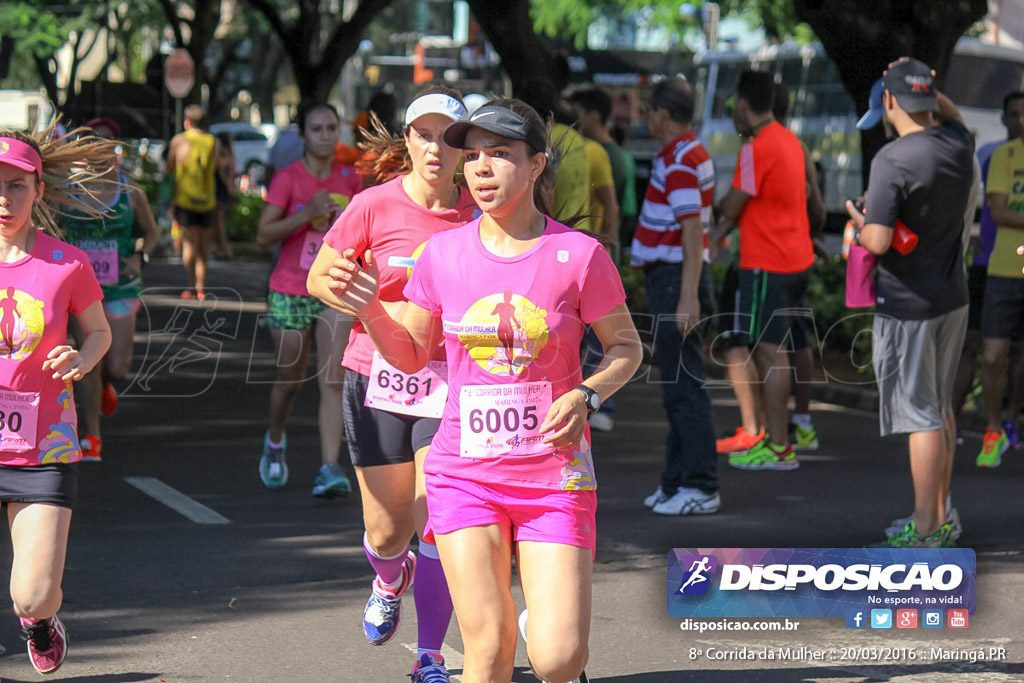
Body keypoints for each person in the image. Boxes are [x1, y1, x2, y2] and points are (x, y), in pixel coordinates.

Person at [318, 96, 642, 683]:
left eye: (501, 155)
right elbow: (413, 355)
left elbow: (627, 349)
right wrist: (370, 309)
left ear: (538, 164)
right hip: (465, 473)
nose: (481, 169)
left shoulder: (579, 255)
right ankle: (501, 622)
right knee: (487, 657)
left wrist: (588, 394)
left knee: (558, 660)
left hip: (554, 477)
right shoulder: (442, 254)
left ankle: (543, 621)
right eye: (473, 157)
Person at [306, 87, 476, 683]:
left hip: (449, 382)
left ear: (464, 147)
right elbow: (318, 277)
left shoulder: (480, 213)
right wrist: (359, 296)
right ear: (407, 142)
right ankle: (387, 577)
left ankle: (429, 655)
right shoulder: (374, 205)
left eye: (449, 137)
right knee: (388, 528)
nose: (436, 147)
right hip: (375, 377)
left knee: (439, 512)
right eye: (424, 135)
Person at [0, 123, 115, 675]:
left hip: (43, 444)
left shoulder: (66, 263)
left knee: (33, 594)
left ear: (39, 189)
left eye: (17, 186)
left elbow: (98, 332)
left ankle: (40, 622)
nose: (4, 198)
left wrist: (81, 358)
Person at [846, 57, 973, 548]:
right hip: (952, 297)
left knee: (919, 415)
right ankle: (942, 518)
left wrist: (859, 222)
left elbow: (877, 241)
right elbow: (954, 114)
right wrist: (924, 83)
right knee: (940, 407)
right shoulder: (959, 143)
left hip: (908, 304)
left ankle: (923, 532)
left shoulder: (892, 159)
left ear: (889, 100)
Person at [708, 70, 814, 471]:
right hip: (795, 259)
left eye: (734, 104)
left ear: (746, 105)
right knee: (779, 351)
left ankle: (779, 447)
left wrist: (720, 213)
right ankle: (776, 441)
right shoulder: (789, 141)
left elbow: (734, 204)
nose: (733, 112)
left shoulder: (755, 149)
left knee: (769, 354)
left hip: (767, 262)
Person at [255, 102, 362, 497]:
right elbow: (263, 235)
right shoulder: (288, 179)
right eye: (317, 128)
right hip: (289, 288)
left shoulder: (352, 178)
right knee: (290, 379)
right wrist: (306, 215)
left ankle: (329, 467)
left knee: (333, 379)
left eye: (332, 127)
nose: (325, 135)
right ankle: (275, 439)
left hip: (333, 288)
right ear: (303, 136)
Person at [630, 77, 721, 517]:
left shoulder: (681, 158)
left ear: (663, 115)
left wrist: (688, 296)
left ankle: (699, 484)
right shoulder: (685, 153)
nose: (646, 118)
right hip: (673, 278)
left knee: (684, 387)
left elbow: (690, 229)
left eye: (649, 111)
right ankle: (677, 480)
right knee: (678, 385)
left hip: (674, 279)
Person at [62, 118, 160, 462]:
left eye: (106, 143)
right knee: (88, 357)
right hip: (79, 290)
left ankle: (106, 384)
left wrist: (140, 256)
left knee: (116, 367)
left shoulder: (130, 191)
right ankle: (91, 435)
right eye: (92, 143)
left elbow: (152, 231)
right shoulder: (66, 190)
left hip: (120, 287)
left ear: (115, 149)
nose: (99, 150)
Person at [975, 90, 1024, 467]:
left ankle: (1010, 421)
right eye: (1014, 114)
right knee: (993, 356)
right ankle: (992, 430)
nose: (1021, 120)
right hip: (1003, 270)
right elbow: (1000, 212)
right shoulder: (1004, 156)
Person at [165, 105, 224, 300]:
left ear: (187, 122)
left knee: (188, 246)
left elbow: (169, 169)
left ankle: (190, 286)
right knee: (204, 246)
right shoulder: (213, 142)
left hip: (185, 200)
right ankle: (201, 287)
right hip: (207, 201)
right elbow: (216, 168)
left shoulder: (179, 140)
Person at [213, 131, 237, 260]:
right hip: (226, 190)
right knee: (220, 222)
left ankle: (223, 249)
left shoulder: (221, 156)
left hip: (221, 190)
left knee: (219, 222)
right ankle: (225, 249)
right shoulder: (230, 155)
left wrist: (228, 189)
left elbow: (223, 174)